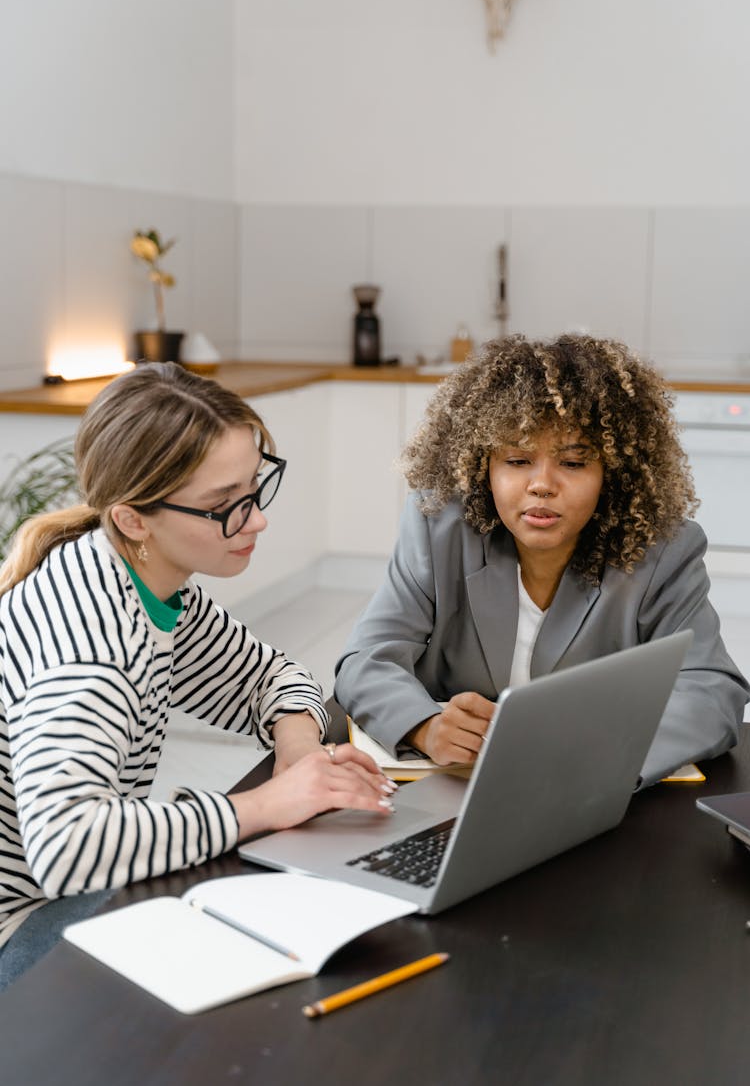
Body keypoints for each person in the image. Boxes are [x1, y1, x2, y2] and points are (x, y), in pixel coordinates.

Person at [0, 363, 394, 988]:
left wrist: (297, 751)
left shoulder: (146, 583)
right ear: (134, 520)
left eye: (254, 490)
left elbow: (271, 676)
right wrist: (261, 805)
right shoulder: (91, 651)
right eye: (224, 507)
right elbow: (67, 846)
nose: (256, 520)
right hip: (20, 929)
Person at [334, 333, 749, 786]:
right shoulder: (439, 528)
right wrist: (424, 726)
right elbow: (366, 660)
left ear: (612, 473)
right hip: (453, 793)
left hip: (588, 802)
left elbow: (712, 691)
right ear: (482, 466)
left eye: (573, 463)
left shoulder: (662, 550)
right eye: (517, 459)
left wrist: (601, 756)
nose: (542, 485)